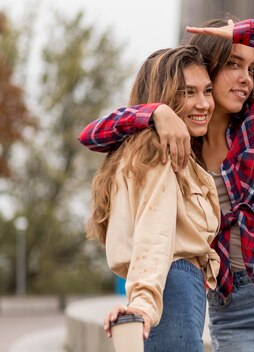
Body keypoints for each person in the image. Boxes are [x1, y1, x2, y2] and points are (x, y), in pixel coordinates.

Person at [79, 17, 254, 351]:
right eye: (233, 64)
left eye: (252, 69)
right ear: (207, 69)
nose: (245, 78)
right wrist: (154, 113)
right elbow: (91, 135)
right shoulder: (178, 139)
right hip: (235, 308)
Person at [85, 45, 221, 352]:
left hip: (170, 287)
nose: (204, 103)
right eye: (188, 92)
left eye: (207, 91)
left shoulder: (137, 149)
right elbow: (155, 232)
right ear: (166, 96)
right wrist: (144, 303)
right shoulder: (158, 153)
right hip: (173, 285)